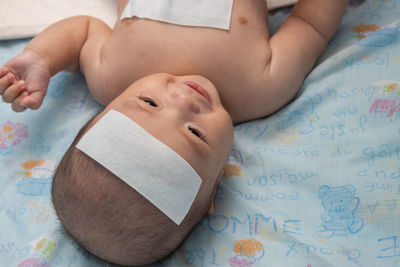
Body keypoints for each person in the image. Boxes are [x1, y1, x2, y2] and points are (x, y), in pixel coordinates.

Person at [0, 0, 349, 265]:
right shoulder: (260, 89)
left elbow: (84, 29)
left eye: (149, 103)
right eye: (196, 135)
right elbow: (310, 23)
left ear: (105, 111)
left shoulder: (109, 76)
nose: (183, 99)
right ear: (215, 186)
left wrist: (42, 57)